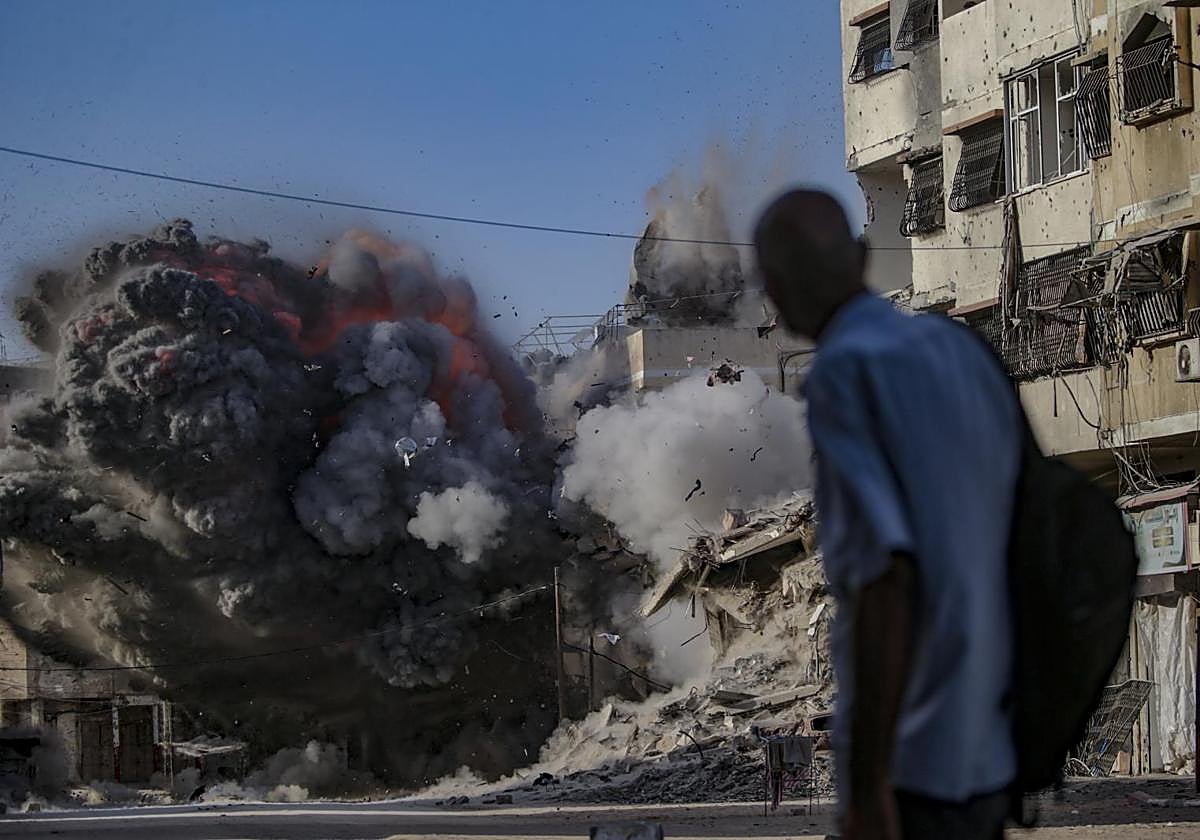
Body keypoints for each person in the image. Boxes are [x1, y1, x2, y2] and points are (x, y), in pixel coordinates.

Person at [754, 190, 1021, 840]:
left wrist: (870, 784)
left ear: (776, 290)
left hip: (914, 765)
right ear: (863, 256)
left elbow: (885, 580)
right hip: (991, 750)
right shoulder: (958, 350)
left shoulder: (844, 372)